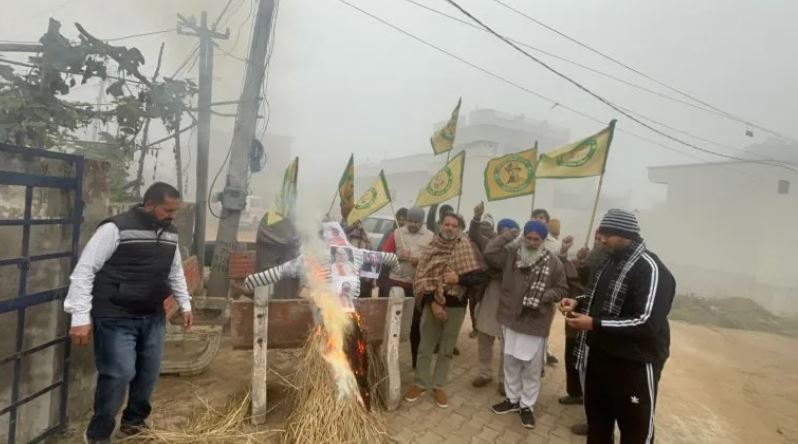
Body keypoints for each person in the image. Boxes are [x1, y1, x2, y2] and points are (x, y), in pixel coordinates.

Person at [64, 183, 194, 444]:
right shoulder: (115, 228)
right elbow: (85, 270)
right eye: (168, 210)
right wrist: (79, 316)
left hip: (152, 316)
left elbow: (175, 270)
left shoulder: (170, 233)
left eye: (175, 210)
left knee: (148, 374)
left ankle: (133, 424)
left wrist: (185, 303)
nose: (173, 215)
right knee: (119, 373)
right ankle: (98, 434)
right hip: (115, 316)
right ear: (149, 205)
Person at [560, 209, 676, 444]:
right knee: (598, 426)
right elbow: (599, 299)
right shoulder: (609, 261)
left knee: (635, 431)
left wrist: (594, 323)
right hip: (601, 359)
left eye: (608, 234)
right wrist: (579, 303)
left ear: (626, 234)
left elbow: (647, 321)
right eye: (601, 233)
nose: (601, 239)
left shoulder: (650, 269)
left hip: (634, 365)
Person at [485, 220, 568, 429]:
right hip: (509, 318)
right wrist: (506, 236)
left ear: (543, 240)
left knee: (530, 368)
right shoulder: (512, 256)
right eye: (528, 238)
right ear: (523, 237)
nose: (531, 242)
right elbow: (490, 252)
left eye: (536, 239)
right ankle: (512, 400)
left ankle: (527, 406)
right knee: (510, 362)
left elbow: (561, 288)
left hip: (534, 321)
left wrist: (543, 296)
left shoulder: (553, 262)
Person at [404, 213, 486, 408]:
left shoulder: (467, 246)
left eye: (454, 225)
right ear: (440, 225)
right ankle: (420, 383)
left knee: (447, 348)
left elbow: (481, 277)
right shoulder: (431, 246)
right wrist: (433, 303)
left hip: (456, 305)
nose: (450, 228)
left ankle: (439, 386)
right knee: (425, 346)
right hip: (432, 304)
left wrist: (459, 279)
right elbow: (422, 277)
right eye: (447, 224)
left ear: (459, 229)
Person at [469, 203, 519, 393]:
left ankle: (503, 379)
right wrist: (476, 218)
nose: (508, 233)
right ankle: (485, 373)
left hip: (509, 300)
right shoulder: (489, 242)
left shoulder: (519, 251)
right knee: (484, 337)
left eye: (512, 231)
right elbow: (475, 236)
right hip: (489, 293)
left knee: (507, 343)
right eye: (504, 230)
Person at [381, 207, 433, 367]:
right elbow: (384, 257)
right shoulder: (396, 234)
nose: (412, 224)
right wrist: (396, 256)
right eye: (410, 220)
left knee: (416, 325)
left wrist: (421, 262)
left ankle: (416, 362)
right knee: (392, 322)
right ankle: (388, 359)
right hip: (395, 283)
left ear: (422, 222)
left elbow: (433, 260)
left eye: (416, 222)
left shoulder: (431, 236)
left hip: (416, 286)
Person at [467, 203, 495, 338]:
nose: (485, 228)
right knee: (473, 303)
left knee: (489, 305)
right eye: (482, 225)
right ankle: (475, 327)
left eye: (487, 226)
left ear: (492, 227)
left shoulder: (497, 239)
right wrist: (476, 218)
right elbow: (473, 232)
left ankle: (487, 328)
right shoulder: (477, 238)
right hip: (476, 276)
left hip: (492, 278)